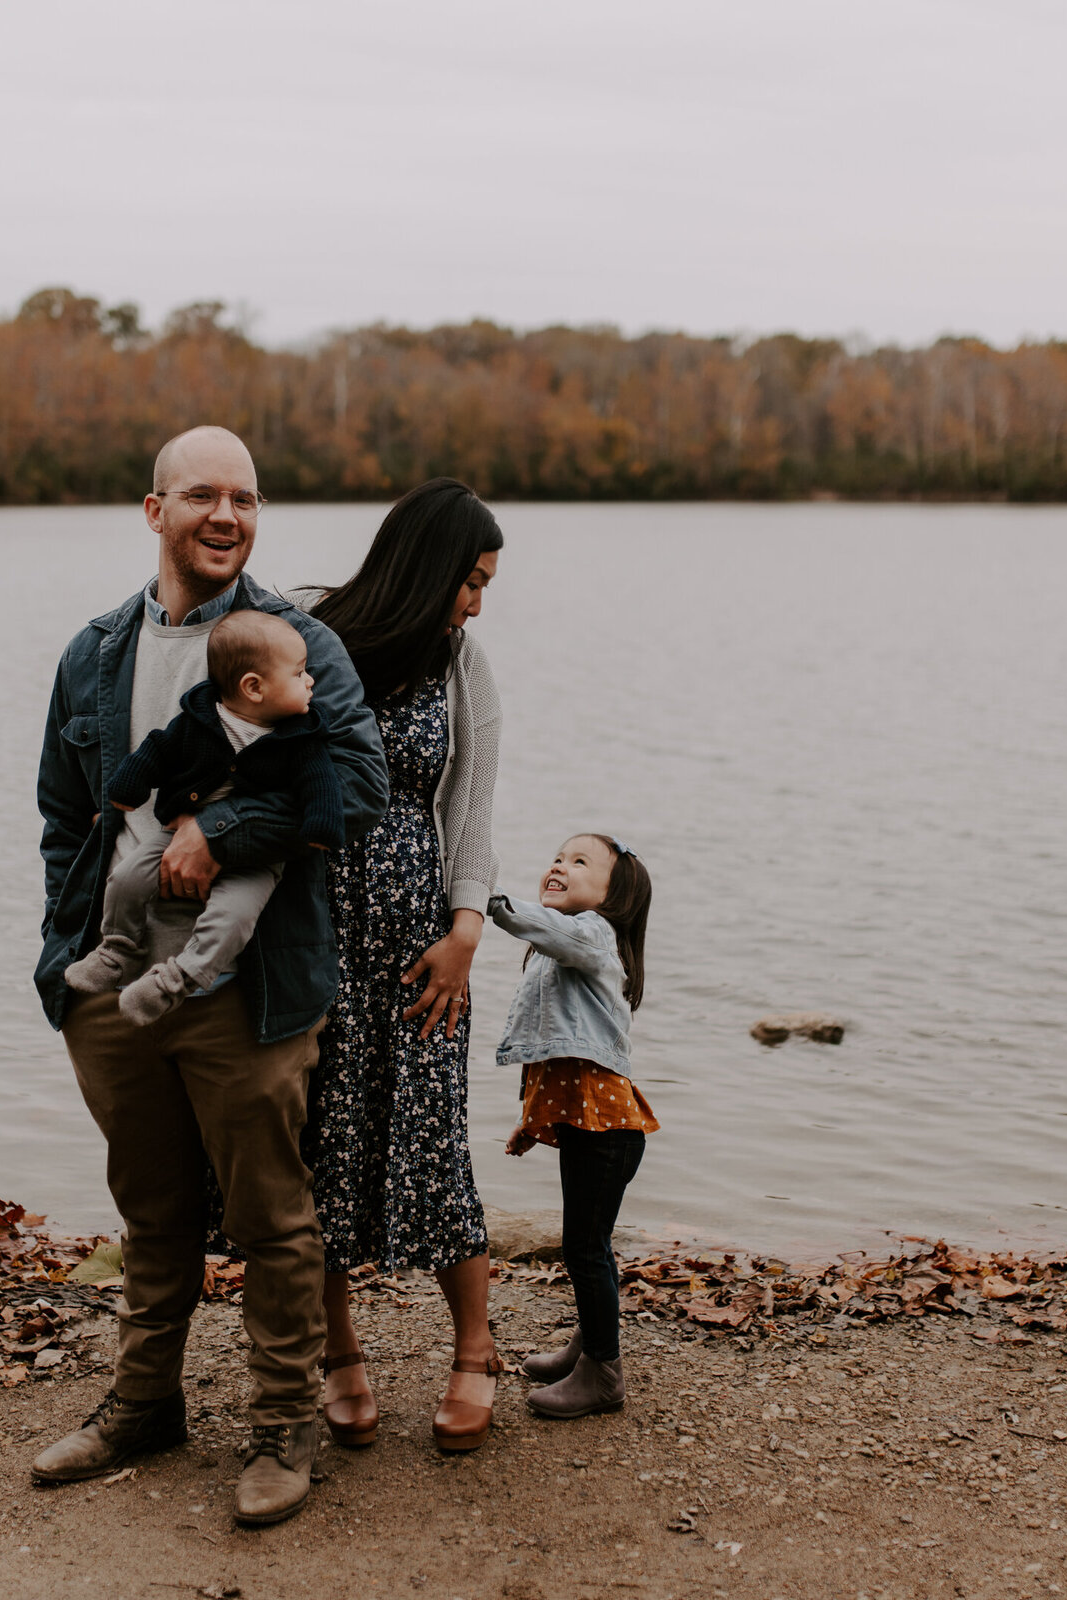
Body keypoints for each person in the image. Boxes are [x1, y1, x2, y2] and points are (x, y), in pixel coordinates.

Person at [29, 426, 386, 1528]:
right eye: (201, 496)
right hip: (119, 984)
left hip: (250, 984)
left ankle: (280, 1425)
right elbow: (63, 813)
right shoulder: (94, 652)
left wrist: (221, 831)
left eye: (244, 497)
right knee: (151, 1207)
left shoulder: (299, 642)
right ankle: (145, 1405)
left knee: (274, 1215)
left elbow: (360, 785)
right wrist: (66, 954)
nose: (225, 515)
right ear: (155, 511)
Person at [302, 478, 506, 1452]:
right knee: (320, 1151)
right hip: (309, 943)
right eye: (469, 580)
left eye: (484, 585)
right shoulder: (306, 629)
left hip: (423, 950)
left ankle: (474, 1346)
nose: (476, 600)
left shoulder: (464, 665)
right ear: (425, 566)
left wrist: (467, 930)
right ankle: (337, 1350)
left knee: (433, 1144)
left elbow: (471, 812)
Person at [62, 609, 346, 1026]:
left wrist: (322, 825)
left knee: (232, 919)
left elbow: (321, 783)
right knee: (126, 878)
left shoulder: (301, 736)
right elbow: (157, 750)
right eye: (300, 673)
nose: (310, 682)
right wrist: (128, 786)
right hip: (177, 833)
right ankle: (117, 950)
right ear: (254, 687)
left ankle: (174, 981)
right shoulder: (200, 719)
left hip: (256, 857)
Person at [492, 833, 656, 1419]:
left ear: (613, 897)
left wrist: (487, 898)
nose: (559, 864)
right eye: (558, 856)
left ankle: (604, 1375)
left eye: (580, 861)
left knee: (583, 1248)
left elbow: (548, 930)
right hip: (599, 1128)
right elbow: (558, 1058)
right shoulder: (564, 949)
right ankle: (589, 1348)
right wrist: (531, 1122)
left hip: (608, 1132)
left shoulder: (591, 935)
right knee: (593, 1246)